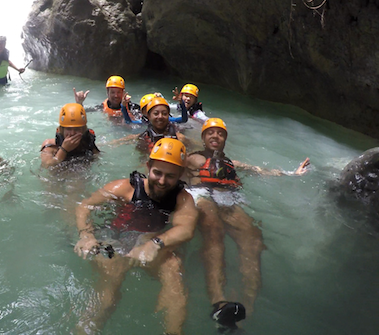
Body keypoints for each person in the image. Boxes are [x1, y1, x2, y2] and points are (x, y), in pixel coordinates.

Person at [185, 118, 310, 331]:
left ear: (225, 139)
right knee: (214, 232)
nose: (215, 136)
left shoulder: (231, 163)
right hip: (201, 194)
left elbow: (260, 170)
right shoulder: (191, 158)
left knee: (254, 237)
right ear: (203, 137)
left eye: (220, 133)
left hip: (227, 198)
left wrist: (293, 174)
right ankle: (219, 302)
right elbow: (164, 166)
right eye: (210, 133)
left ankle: (246, 307)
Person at [74, 138, 198, 334]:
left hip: (148, 241)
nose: (162, 181)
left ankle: (173, 331)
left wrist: (156, 243)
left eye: (170, 176)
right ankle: (86, 328)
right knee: (111, 281)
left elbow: (186, 228)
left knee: (174, 268)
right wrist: (86, 235)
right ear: (148, 166)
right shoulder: (124, 188)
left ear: (180, 175)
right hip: (114, 239)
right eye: (157, 173)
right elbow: (84, 207)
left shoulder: (182, 199)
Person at [114, 97, 188, 150]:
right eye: (156, 114)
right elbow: (129, 128)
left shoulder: (180, 137)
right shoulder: (144, 136)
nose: (160, 117)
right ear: (148, 116)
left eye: (164, 113)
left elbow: (184, 119)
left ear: (168, 115)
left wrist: (182, 103)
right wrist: (123, 106)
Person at [40, 103, 100, 168]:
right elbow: (46, 166)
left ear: (83, 130)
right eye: (68, 129)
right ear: (62, 130)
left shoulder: (87, 144)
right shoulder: (50, 146)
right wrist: (64, 149)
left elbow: (98, 159)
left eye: (77, 129)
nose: (72, 133)